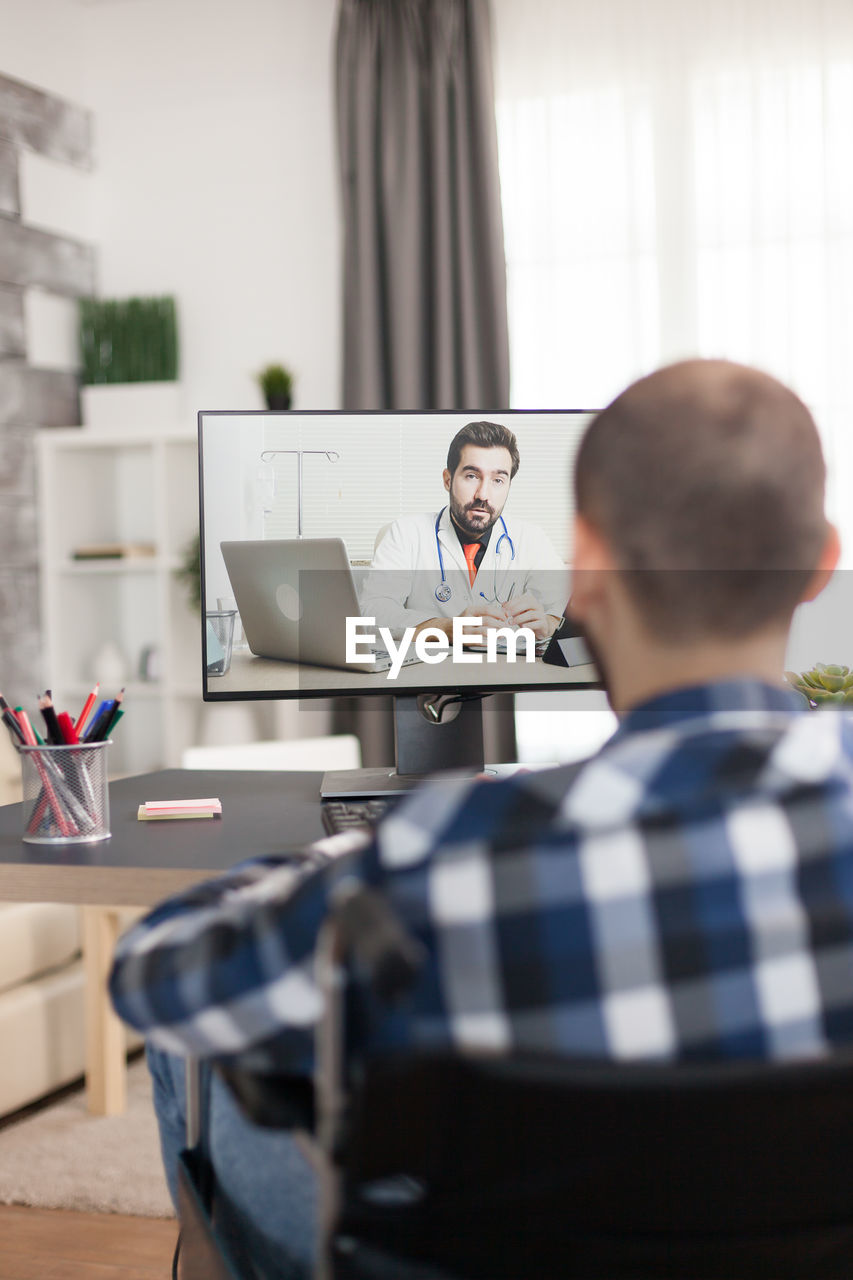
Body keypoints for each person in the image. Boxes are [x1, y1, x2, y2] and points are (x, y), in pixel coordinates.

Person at [110, 358, 852, 1280]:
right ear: (820, 563)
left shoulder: (450, 857)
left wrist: (333, 873)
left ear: (583, 568)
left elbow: (153, 973)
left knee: (204, 1051)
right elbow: (373, 627)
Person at [360, 419, 566, 639]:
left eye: (498, 480)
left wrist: (549, 625)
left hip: (507, 670)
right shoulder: (405, 533)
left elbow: (565, 614)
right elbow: (371, 613)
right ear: (448, 480)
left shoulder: (532, 539)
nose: (483, 495)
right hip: (431, 669)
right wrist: (448, 629)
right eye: (472, 476)